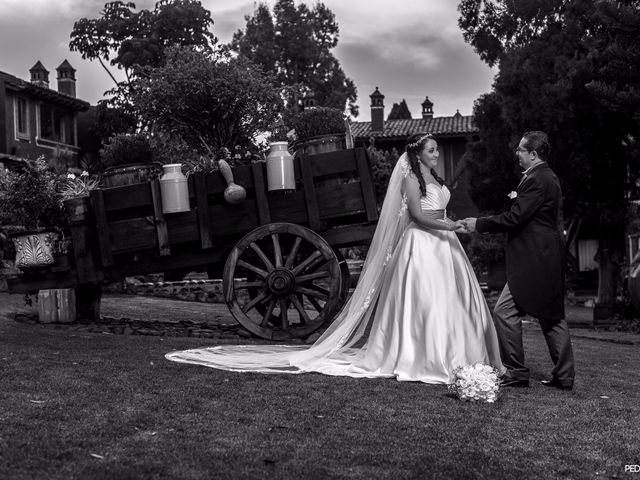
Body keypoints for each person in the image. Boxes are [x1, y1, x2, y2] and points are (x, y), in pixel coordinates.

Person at [166, 133, 504, 384]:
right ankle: (424, 355)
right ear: (417, 154)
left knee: (453, 301)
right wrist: (451, 227)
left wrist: (450, 225)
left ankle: (459, 354)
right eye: (431, 150)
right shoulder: (411, 179)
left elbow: (439, 206)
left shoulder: (436, 178)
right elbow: (416, 216)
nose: (436, 154)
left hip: (445, 247)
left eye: (436, 150)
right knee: (426, 301)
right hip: (425, 245)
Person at [463, 131, 575, 390]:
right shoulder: (544, 177)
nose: (516, 153)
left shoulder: (538, 179)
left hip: (535, 258)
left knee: (504, 311)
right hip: (544, 255)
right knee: (551, 315)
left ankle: (516, 371)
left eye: (521, 150)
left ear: (533, 154)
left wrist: (478, 224)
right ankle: (564, 376)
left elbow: (515, 217)